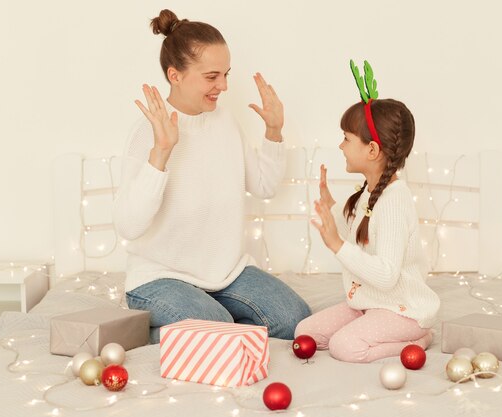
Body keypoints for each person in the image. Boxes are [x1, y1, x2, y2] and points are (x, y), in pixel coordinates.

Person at [113, 9, 310, 344]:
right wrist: (161, 153)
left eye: (226, 74)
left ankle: (200, 325)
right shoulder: (148, 133)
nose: (224, 86)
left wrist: (274, 131)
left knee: (296, 321)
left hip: (226, 274)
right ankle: (157, 328)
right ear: (175, 75)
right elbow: (129, 226)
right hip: (160, 278)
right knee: (218, 328)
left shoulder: (224, 122)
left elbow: (263, 186)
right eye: (212, 76)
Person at [294, 61, 440, 363]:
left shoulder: (394, 202)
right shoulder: (369, 192)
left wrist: (336, 245)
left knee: (344, 346)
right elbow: (362, 242)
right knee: (304, 333)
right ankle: (383, 328)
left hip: (401, 309)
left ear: (372, 150)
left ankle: (419, 338)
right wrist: (331, 209)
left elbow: (386, 275)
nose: (340, 145)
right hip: (368, 301)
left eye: (347, 138)